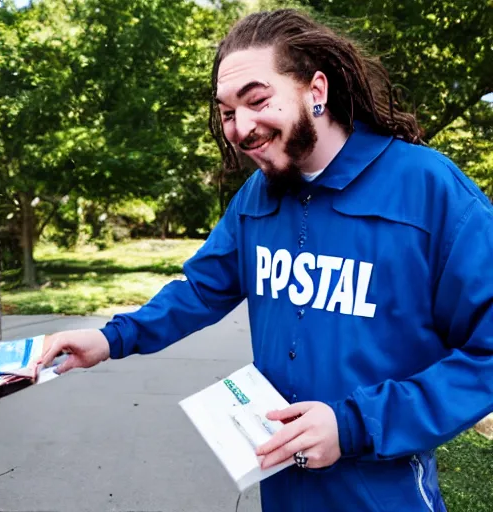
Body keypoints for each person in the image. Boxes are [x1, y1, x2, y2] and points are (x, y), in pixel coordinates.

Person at [40, 8, 493, 512]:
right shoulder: (258, 195)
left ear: (315, 91)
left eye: (256, 100)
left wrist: (353, 425)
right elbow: (201, 288)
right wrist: (109, 338)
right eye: (228, 111)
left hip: (382, 494)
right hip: (280, 484)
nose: (239, 127)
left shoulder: (428, 189)